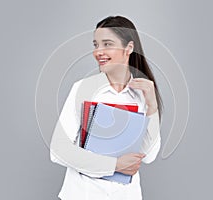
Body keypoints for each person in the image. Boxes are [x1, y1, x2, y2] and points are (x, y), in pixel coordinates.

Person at [50, 15, 163, 200]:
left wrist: (152, 106)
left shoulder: (142, 93)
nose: (98, 52)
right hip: (83, 194)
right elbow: (58, 151)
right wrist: (114, 165)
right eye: (96, 45)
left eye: (107, 44)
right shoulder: (83, 88)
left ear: (129, 48)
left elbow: (148, 156)